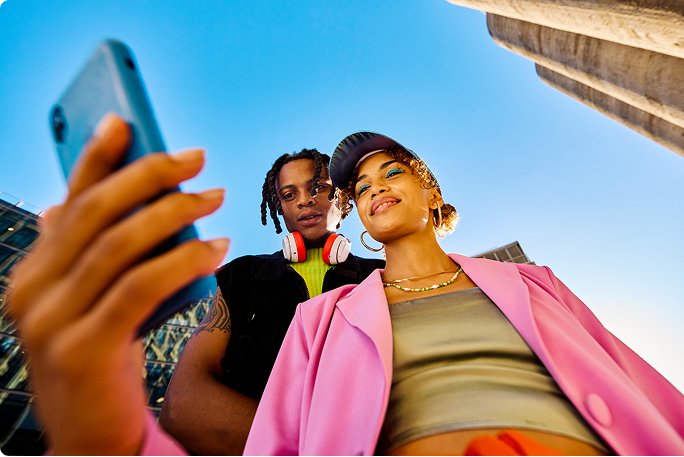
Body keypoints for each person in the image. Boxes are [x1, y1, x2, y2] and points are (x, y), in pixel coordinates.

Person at [242, 131, 684, 455]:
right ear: (361, 218)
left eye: (392, 172)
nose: (375, 187)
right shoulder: (319, 319)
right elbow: (273, 445)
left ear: (431, 192)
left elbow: (642, 386)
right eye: (361, 188)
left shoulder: (535, 283)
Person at [153, 143, 384, 453]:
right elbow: (181, 405)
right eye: (289, 195)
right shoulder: (242, 275)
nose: (304, 200)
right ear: (280, 210)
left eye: (317, 188)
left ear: (342, 199)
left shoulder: (380, 276)